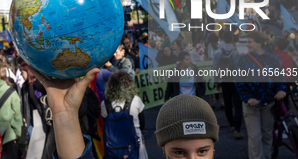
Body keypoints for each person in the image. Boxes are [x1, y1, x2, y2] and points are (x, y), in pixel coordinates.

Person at [27, 67, 219, 159]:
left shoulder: (110, 103)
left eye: (202, 151)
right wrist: (65, 115)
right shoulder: (135, 102)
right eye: (179, 153)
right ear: (164, 150)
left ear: (214, 149)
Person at [236, 31, 287, 159]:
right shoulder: (242, 59)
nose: (247, 45)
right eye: (246, 42)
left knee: (267, 135)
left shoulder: (272, 59)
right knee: (255, 137)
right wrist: (248, 98)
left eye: (250, 42)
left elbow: (279, 77)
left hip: (269, 103)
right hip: (251, 105)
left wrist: (281, 90)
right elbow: (239, 82)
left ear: (259, 42)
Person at [100, 71, 148, 159]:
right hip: (134, 140)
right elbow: (142, 122)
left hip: (113, 144)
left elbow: (105, 120)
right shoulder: (136, 100)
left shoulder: (105, 104)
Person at [212, 31, 243, 139]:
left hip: (224, 80)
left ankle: (231, 125)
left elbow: (215, 68)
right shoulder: (237, 52)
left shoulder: (217, 52)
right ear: (233, 40)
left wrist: (217, 82)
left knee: (227, 104)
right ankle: (238, 128)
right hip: (236, 81)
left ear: (223, 39)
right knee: (238, 105)